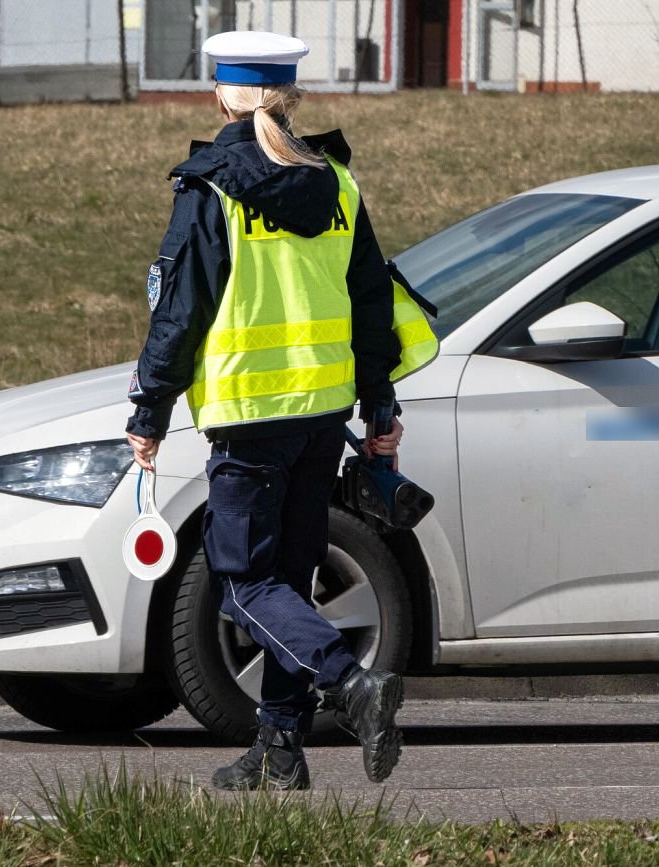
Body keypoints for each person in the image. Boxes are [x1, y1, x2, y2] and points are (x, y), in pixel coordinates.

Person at [123, 30, 427, 791]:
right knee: (288, 577)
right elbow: (372, 306)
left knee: (244, 583)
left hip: (250, 415)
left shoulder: (211, 184)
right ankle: (281, 748)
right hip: (323, 414)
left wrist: (149, 409)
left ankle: (351, 684)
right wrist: (379, 403)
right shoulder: (340, 184)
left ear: (222, 93)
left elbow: (180, 310)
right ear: (288, 96)